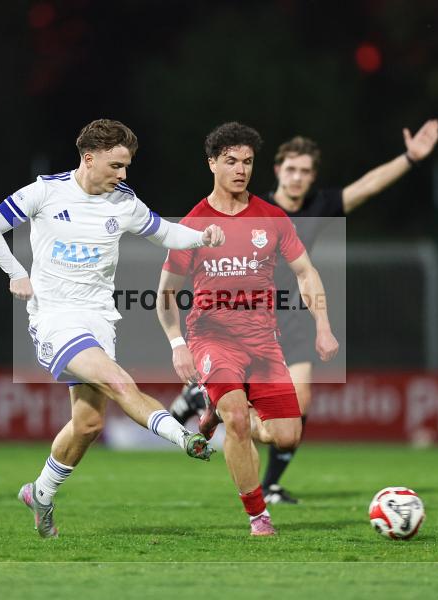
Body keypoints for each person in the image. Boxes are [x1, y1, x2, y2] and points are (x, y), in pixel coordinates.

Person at [0, 119, 226, 538]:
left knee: (88, 425)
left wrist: (203, 237)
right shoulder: (45, 192)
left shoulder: (122, 201)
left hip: (99, 319)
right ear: (89, 158)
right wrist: (15, 273)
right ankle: (184, 439)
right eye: (117, 165)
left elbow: (165, 232)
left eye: (127, 166)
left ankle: (40, 493)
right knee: (118, 381)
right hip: (55, 318)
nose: (124, 175)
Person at [169, 120, 438, 504]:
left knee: (300, 406)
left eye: (306, 171)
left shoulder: (319, 206)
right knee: (243, 411)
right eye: (291, 169)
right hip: (243, 317)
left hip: (292, 316)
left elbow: (368, 186)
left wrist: (410, 158)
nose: (298, 178)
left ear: (313, 177)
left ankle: (270, 479)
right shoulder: (251, 206)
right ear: (277, 170)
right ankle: (211, 403)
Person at [156, 122, 339, 536]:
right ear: (212, 164)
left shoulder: (272, 217)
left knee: (286, 436)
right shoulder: (193, 224)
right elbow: (165, 294)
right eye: (231, 161)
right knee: (238, 419)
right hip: (212, 338)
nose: (241, 169)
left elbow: (306, 272)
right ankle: (259, 517)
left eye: (248, 162)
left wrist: (323, 326)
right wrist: (177, 344)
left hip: (263, 342)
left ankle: (216, 411)